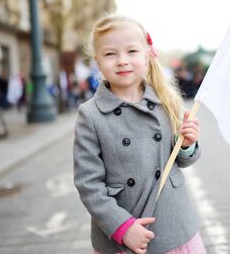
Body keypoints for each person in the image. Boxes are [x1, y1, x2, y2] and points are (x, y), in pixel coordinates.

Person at [73, 14, 205, 254]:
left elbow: (183, 160)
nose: (122, 61)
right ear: (98, 62)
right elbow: (88, 184)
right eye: (110, 54)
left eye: (131, 51)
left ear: (147, 56)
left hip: (173, 225)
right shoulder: (90, 115)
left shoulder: (167, 101)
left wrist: (186, 145)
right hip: (122, 234)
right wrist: (122, 227)